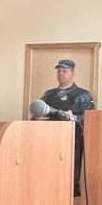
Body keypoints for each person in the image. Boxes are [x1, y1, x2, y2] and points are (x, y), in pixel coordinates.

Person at [38, 59, 95, 195]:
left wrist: (73, 117)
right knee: (50, 173)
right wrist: (36, 118)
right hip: (49, 139)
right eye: (59, 71)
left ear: (72, 73)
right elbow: (37, 112)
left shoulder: (82, 94)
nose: (61, 74)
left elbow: (91, 118)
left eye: (65, 71)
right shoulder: (48, 95)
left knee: (70, 176)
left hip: (73, 140)